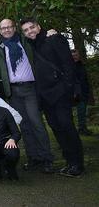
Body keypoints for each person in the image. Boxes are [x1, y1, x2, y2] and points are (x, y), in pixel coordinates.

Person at [21, 18, 84, 177]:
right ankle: (69, 162)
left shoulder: (54, 39)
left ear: (38, 26)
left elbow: (68, 65)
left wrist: (66, 88)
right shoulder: (31, 46)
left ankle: (77, 163)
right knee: (57, 129)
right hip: (45, 96)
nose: (30, 31)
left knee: (67, 127)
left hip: (60, 93)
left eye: (32, 27)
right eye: (26, 30)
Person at [0, 18, 54, 173]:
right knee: (24, 126)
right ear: (0, 31)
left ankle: (47, 159)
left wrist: (50, 33)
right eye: (3, 28)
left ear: (14, 28)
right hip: (13, 92)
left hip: (30, 89)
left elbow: (39, 39)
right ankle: (34, 158)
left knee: (36, 123)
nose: (6, 30)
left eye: (9, 27)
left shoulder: (25, 42)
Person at [72, 49, 93, 135]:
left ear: (79, 55)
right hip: (76, 93)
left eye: (76, 55)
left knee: (83, 111)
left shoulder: (81, 65)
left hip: (84, 92)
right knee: (80, 111)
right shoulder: (70, 66)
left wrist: (87, 91)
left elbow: (84, 79)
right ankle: (80, 129)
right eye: (73, 56)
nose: (74, 57)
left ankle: (83, 128)